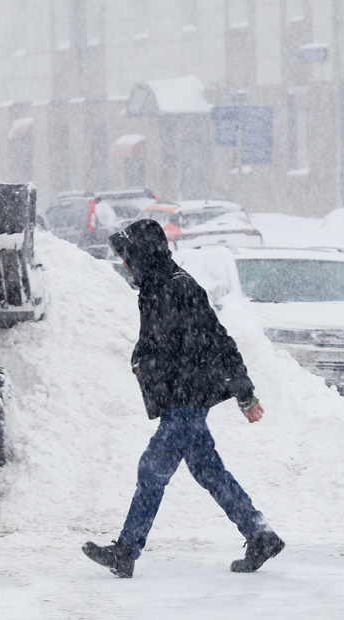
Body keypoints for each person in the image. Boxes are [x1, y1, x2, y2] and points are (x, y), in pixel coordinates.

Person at [82, 219, 284, 578]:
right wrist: (142, 359)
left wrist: (245, 393)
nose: (125, 265)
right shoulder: (153, 288)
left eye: (128, 257)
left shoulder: (181, 288)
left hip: (188, 397)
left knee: (152, 467)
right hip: (178, 395)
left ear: (144, 255)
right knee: (208, 469)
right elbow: (161, 342)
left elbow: (219, 341)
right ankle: (259, 533)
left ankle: (126, 550)